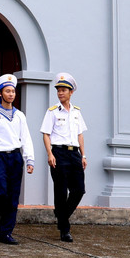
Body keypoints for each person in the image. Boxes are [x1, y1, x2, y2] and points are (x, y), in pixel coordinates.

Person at [0, 73, 35, 245]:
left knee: (13, 197)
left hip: (15, 157)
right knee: (1, 192)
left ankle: (5, 233)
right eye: (7, 91)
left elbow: (26, 138)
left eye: (13, 91)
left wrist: (29, 159)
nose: (11, 94)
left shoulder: (20, 115)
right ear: (0, 93)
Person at [40, 72, 87, 243]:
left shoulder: (76, 112)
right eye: (58, 90)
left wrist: (83, 155)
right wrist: (50, 154)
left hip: (74, 154)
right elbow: (46, 134)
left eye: (63, 90)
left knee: (79, 190)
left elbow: (80, 135)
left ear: (71, 92)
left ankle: (61, 215)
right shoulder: (52, 112)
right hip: (59, 153)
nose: (60, 93)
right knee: (60, 191)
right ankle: (65, 230)